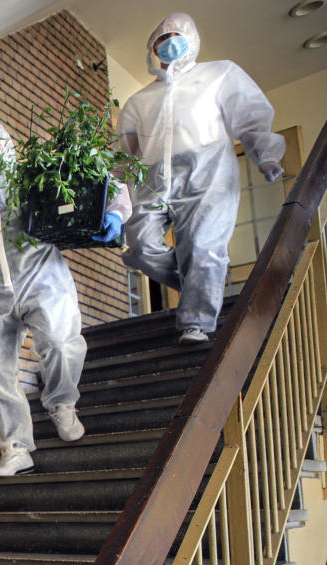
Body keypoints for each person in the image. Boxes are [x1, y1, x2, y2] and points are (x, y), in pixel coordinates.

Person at [0, 117, 131, 477]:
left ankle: (62, 403)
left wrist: (115, 214)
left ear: (6, 147)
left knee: (59, 342)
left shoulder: (35, 178)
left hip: (43, 279)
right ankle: (14, 447)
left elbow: (106, 184)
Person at [117, 12, 285, 345]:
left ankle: (196, 323)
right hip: (154, 177)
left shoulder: (220, 74)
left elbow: (250, 119)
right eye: (161, 40)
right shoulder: (139, 101)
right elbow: (122, 156)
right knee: (139, 244)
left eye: (175, 36)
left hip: (208, 171)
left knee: (204, 246)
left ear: (192, 39)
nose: (168, 44)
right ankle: (201, 284)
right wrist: (114, 201)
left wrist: (265, 154)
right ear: (152, 48)